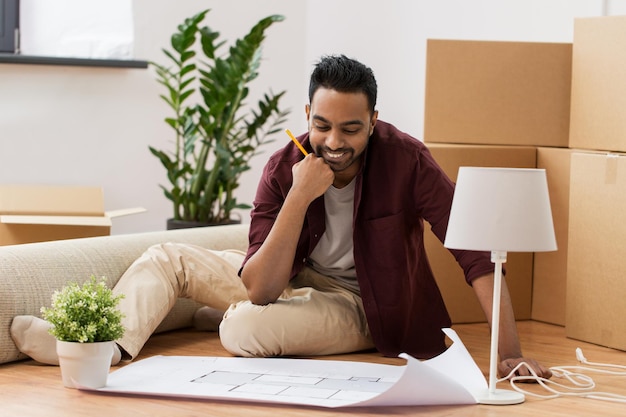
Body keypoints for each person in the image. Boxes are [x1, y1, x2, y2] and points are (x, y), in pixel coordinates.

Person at [11, 54, 551, 380]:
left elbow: (474, 250)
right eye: (322, 126)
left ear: (374, 121)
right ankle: (104, 350)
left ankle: (217, 320)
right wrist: (300, 197)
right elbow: (262, 286)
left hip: (367, 305)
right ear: (307, 117)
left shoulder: (407, 159)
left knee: (243, 326)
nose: (334, 143)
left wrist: (507, 354)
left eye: (351, 129)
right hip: (287, 286)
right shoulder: (283, 166)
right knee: (166, 256)